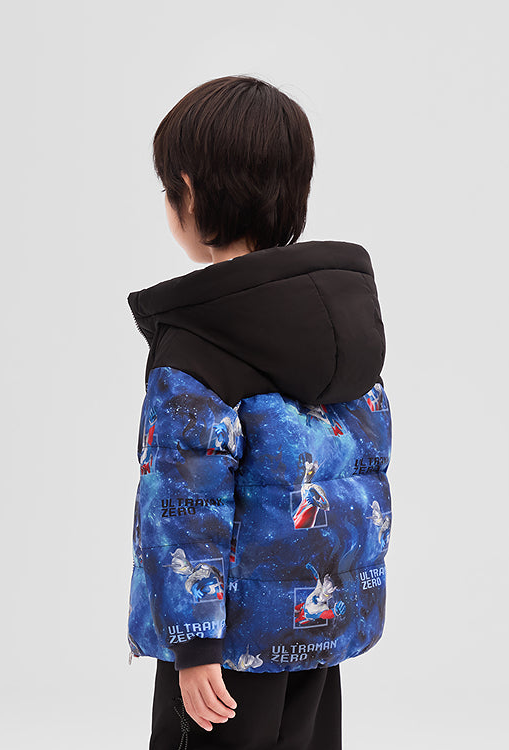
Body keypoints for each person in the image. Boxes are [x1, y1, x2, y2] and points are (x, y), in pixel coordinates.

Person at [125, 74, 393, 750]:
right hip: (316, 628)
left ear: (189, 192)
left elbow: (182, 507)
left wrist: (193, 643)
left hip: (225, 651)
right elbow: (357, 472)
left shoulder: (199, 342)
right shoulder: (343, 326)